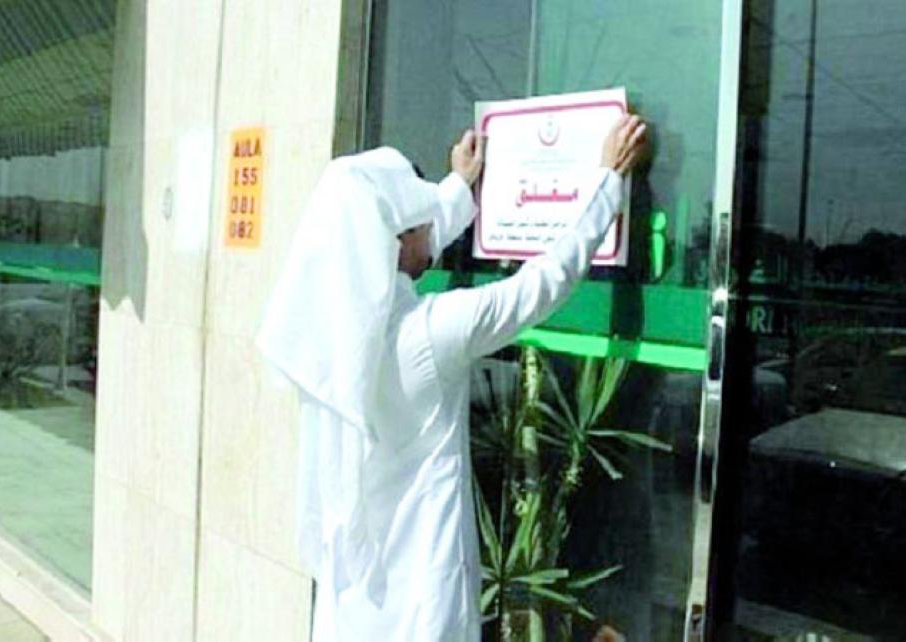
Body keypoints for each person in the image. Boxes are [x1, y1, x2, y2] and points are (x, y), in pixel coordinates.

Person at [257, 114, 647, 642]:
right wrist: (607, 182)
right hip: (422, 605)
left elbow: (412, 243)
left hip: (353, 611)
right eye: (418, 221)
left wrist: (459, 185)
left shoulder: (330, 338)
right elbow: (542, 284)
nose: (428, 230)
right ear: (391, 240)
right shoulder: (428, 333)